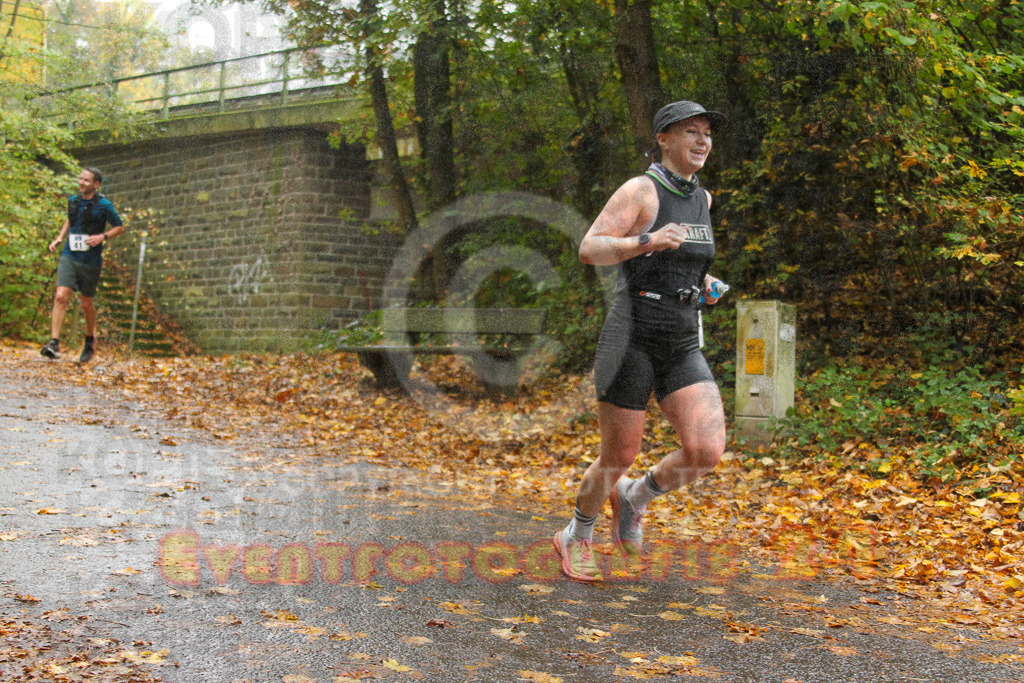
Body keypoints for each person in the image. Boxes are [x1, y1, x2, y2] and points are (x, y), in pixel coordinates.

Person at [553, 101, 729, 582]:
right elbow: (591, 247)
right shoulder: (641, 190)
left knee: (706, 450)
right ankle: (577, 534)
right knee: (618, 455)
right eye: (691, 132)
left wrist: (704, 281)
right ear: (664, 139)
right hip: (630, 336)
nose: (702, 141)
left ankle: (635, 497)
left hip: (680, 338)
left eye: (707, 134)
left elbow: (686, 256)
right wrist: (643, 241)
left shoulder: (703, 199)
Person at [40, 167, 125, 363]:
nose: (81, 183)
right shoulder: (73, 201)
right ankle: (54, 343)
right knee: (61, 296)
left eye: (86, 180)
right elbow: (70, 220)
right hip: (69, 255)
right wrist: (59, 238)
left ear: (96, 184)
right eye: (80, 179)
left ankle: (89, 339)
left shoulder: (103, 205)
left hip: (91, 260)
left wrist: (102, 237)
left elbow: (120, 227)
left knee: (86, 303)